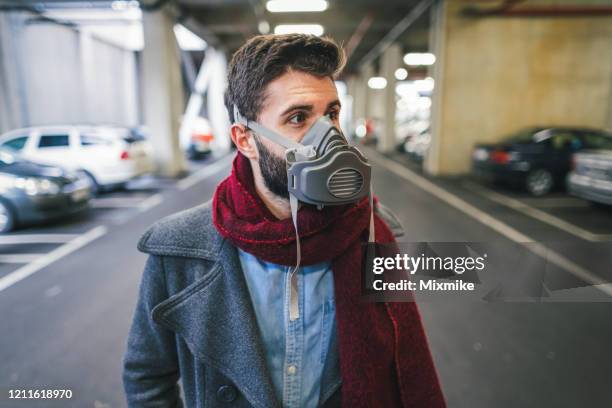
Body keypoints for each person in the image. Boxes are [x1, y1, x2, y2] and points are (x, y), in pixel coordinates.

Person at [123, 33, 445, 408]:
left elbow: (397, 362)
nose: (330, 137)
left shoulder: (372, 231)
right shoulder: (178, 249)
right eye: (298, 117)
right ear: (245, 140)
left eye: (332, 114)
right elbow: (147, 376)